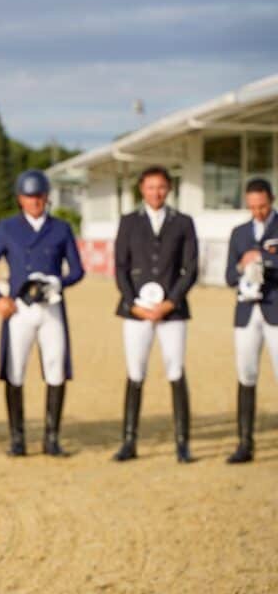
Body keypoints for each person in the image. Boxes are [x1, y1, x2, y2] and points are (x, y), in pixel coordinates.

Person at [0, 169, 85, 456]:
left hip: (51, 307)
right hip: (19, 309)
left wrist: (59, 282)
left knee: (55, 368)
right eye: (29, 196)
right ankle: (17, 439)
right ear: (20, 198)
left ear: (47, 197)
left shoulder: (61, 228)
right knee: (15, 369)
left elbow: (77, 270)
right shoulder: (7, 228)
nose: (35, 201)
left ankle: (51, 439)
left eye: (40, 196)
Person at [112, 165, 198, 463]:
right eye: (151, 187)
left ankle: (183, 443)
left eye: (161, 187)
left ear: (169, 188)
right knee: (135, 371)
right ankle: (129, 441)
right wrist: (132, 303)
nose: (156, 193)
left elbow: (190, 268)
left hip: (172, 312)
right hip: (137, 310)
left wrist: (170, 302)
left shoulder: (183, 222)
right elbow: (120, 267)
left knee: (176, 370)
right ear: (142, 189)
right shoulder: (128, 222)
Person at [224, 178, 278, 463]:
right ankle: (245, 442)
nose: (257, 212)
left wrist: (264, 261)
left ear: (272, 200)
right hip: (246, 313)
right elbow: (228, 276)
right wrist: (242, 265)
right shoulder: (239, 232)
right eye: (253, 207)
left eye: (263, 206)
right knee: (246, 374)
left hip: (275, 310)